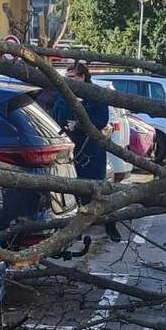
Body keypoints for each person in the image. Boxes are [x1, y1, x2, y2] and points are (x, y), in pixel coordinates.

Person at [50, 61, 121, 242]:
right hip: (70, 148)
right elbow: (57, 113)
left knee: (97, 188)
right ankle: (77, 229)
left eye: (72, 77)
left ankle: (110, 223)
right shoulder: (64, 94)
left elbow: (100, 120)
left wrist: (80, 124)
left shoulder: (95, 94)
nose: (69, 81)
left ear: (82, 77)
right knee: (74, 191)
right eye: (67, 78)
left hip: (91, 150)